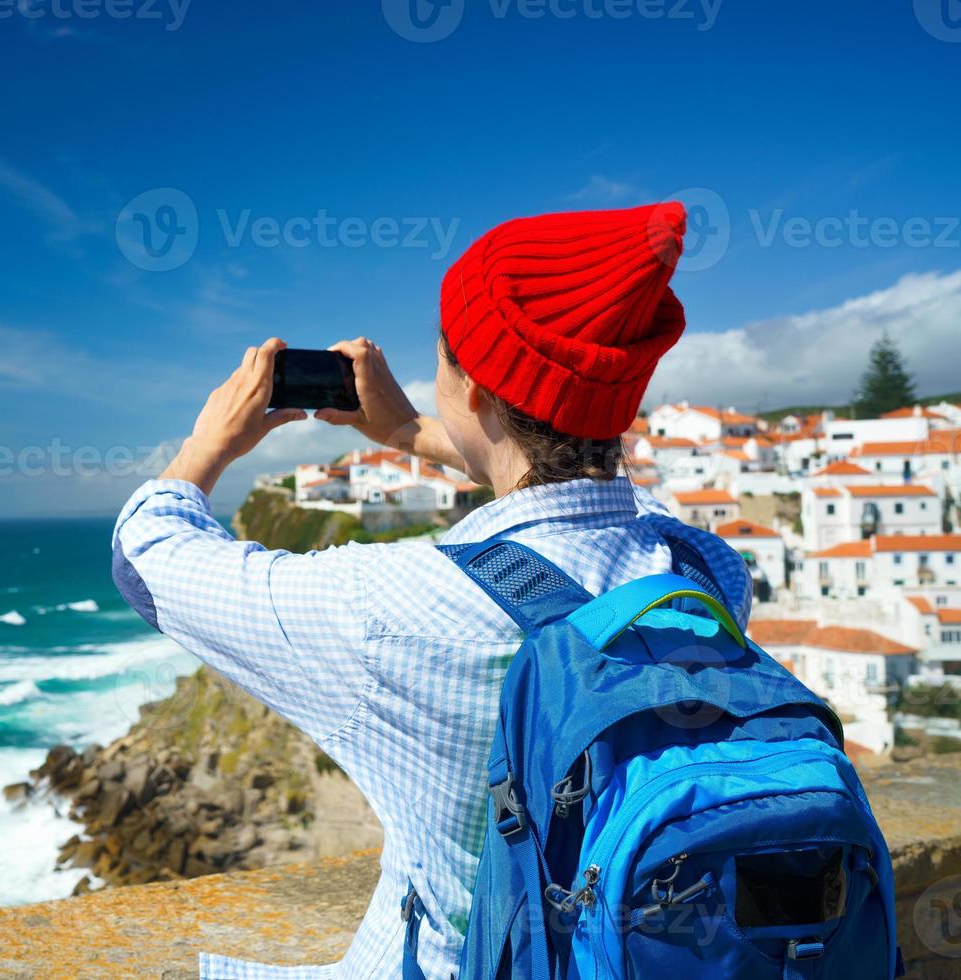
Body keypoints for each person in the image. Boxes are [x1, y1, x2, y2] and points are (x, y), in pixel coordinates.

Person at [111, 202, 752, 979]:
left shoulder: (388, 606)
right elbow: (616, 502)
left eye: (444, 354)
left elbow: (146, 559)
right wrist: (412, 433)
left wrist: (209, 442)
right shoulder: (702, 576)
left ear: (473, 387)